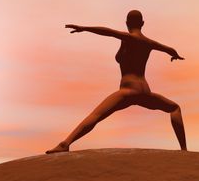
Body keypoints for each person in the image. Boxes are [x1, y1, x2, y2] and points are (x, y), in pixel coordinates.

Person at [45, 10, 187, 154]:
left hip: (129, 91)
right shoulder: (148, 43)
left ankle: (65, 144)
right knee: (174, 108)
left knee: (96, 115)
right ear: (142, 23)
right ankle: (184, 149)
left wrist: (85, 28)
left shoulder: (129, 38)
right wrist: (175, 55)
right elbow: (169, 49)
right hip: (145, 91)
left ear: (126, 23)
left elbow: (108, 32)